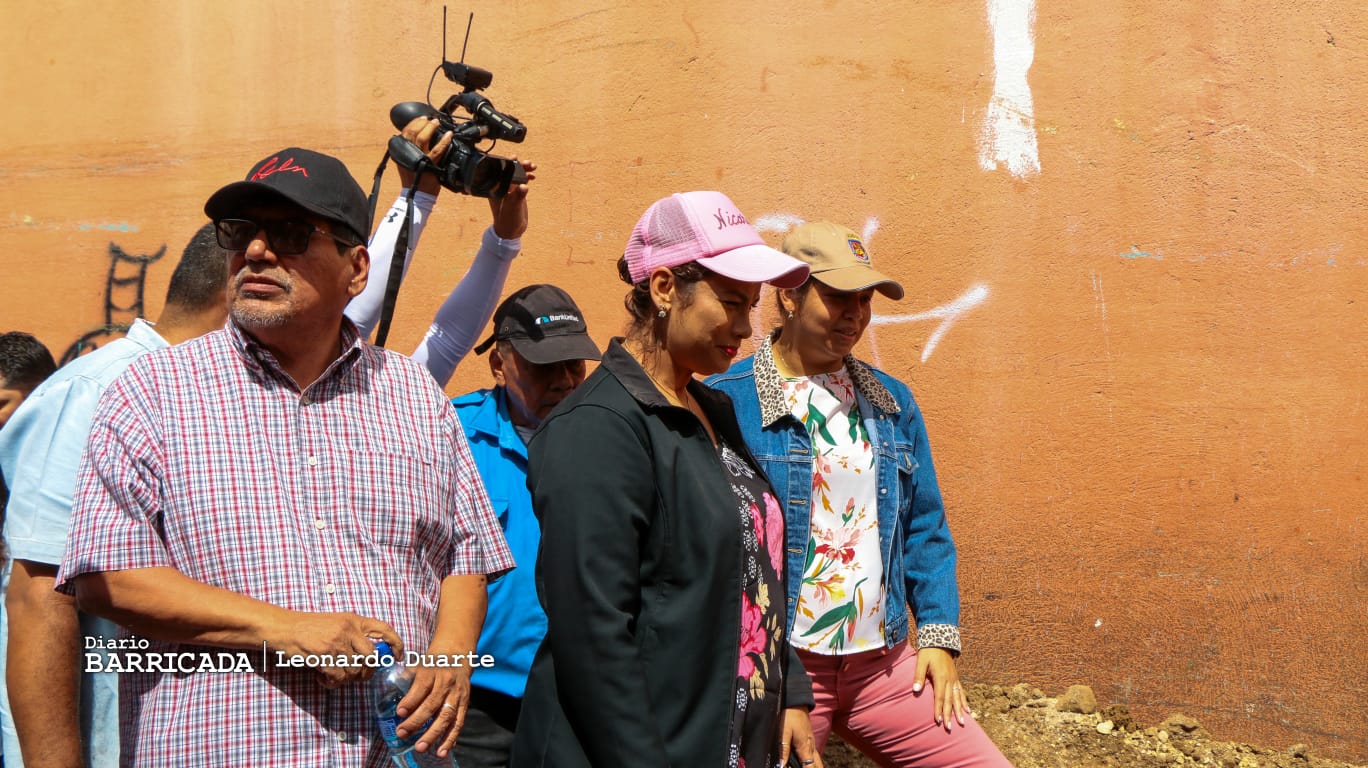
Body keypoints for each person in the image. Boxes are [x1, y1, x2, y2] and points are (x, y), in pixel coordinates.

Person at [56, 148, 515, 768]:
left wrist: (451, 658)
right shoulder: (151, 393)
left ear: (357, 269)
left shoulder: (414, 397)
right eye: (240, 232)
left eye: (292, 234)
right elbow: (106, 578)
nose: (256, 252)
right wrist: (286, 629)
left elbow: (467, 551)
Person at [510, 191, 823, 768]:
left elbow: (750, 564)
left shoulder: (708, 407)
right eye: (730, 301)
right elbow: (595, 639)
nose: (743, 326)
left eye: (751, 306)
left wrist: (791, 689)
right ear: (663, 289)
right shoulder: (598, 430)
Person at [706, 221, 1012, 767]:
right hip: (782, 667)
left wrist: (939, 636)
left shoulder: (891, 402)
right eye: (838, 297)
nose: (855, 314)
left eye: (864, 300)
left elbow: (925, 525)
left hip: (885, 665)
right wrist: (773, 679)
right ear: (790, 297)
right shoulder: (729, 403)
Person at [0, 224, 229, 768]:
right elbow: (39, 593)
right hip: (110, 737)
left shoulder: (208, 392)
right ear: (236, 293)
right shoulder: (96, 391)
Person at [446, 284, 601, 768]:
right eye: (543, 366)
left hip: (579, 697)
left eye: (573, 364)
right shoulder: (453, 434)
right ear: (499, 364)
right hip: (476, 701)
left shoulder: (609, 438)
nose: (563, 381)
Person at [347, 117, 536, 386]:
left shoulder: (399, 403)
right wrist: (418, 197)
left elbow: (445, 340)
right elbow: (446, 341)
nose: (263, 252)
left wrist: (504, 241)